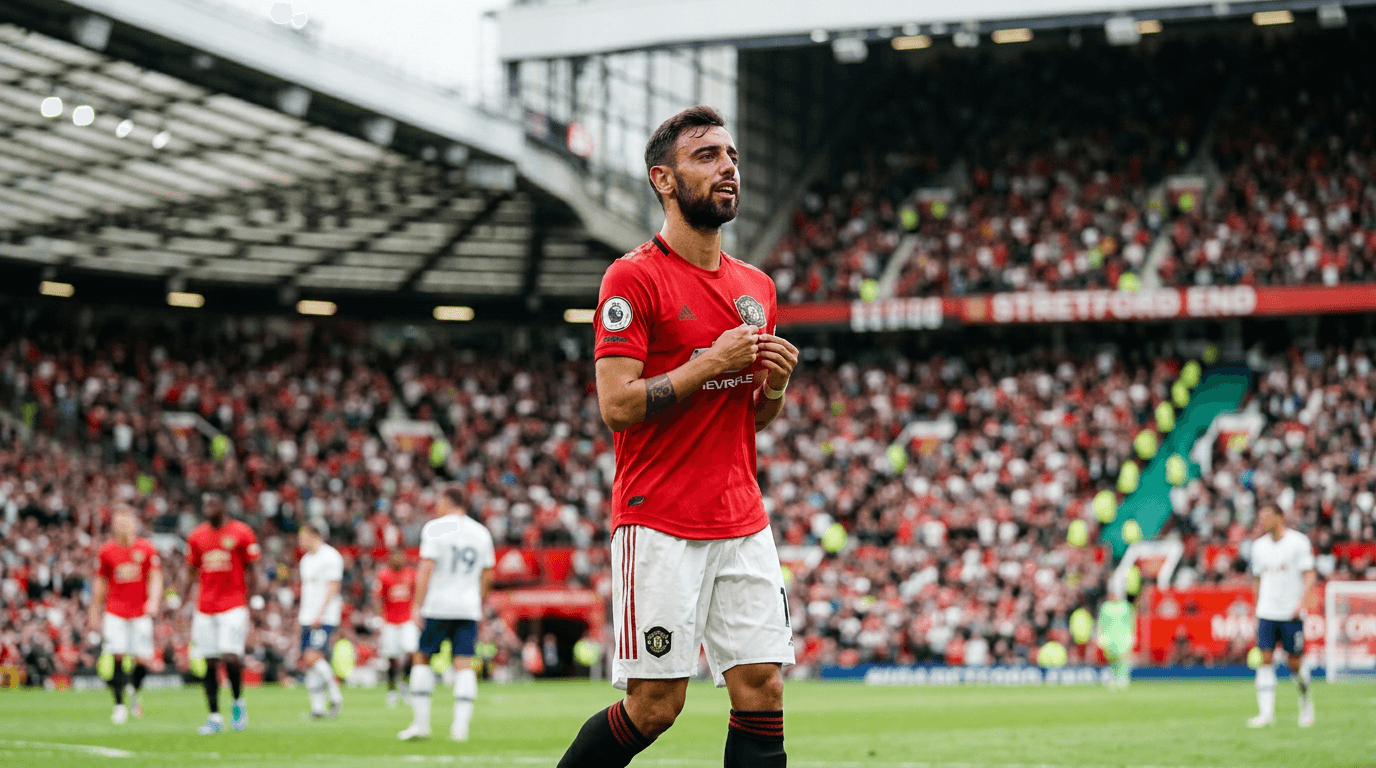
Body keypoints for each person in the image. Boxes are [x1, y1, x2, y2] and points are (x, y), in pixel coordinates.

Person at [558, 105, 799, 768]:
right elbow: (619, 406)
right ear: (663, 180)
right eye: (706, 156)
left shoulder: (757, 286)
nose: (727, 167)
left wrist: (771, 388)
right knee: (657, 704)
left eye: (732, 156)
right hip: (661, 520)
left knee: (763, 688)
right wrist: (711, 363)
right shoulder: (634, 277)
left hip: (742, 519)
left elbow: (751, 420)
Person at [397, 485, 495, 742]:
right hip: (468, 607)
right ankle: (460, 729)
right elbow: (487, 573)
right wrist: (479, 601)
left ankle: (421, 724)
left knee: (422, 658)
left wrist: (417, 605)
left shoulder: (435, 528)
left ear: (447, 501)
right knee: (464, 663)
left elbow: (425, 569)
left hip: (438, 605)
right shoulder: (481, 532)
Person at [186, 492, 260, 735]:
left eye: (213, 503)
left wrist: (255, 598)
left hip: (233, 603)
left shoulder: (241, 532)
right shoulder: (197, 536)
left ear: (223, 506)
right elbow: (191, 570)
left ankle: (238, 702)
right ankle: (214, 716)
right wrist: (181, 599)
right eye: (205, 503)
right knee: (208, 661)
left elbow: (252, 568)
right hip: (205, 606)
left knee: (230, 656)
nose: (208, 508)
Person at [89, 506, 162, 724]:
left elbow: (156, 577)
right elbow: (99, 584)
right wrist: (94, 613)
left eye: (126, 521)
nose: (122, 526)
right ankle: (119, 705)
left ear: (134, 523)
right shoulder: (106, 551)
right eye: (118, 522)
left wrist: (154, 601)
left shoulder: (146, 549)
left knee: (142, 658)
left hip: (140, 612)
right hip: (115, 612)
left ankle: (134, 691)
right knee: (117, 656)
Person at [1247, 505, 1317, 728]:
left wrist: (1301, 602)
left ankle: (1306, 705)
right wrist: (1256, 609)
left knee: (1294, 663)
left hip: (1290, 612)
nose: (1263, 521)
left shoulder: (1298, 542)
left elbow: (1310, 575)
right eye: (1260, 518)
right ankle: (1265, 714)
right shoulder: (1258, 547)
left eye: (1266, 517)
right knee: (1265, 660)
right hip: (1267, 612)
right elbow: (1257, 580)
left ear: (1279, 517)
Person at [297, 522, 345, 719]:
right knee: (309, 663)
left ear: (312, 535)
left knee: (313, 656)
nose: (300, 542)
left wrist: (320, 613)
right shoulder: (306, 560)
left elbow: (334, 586)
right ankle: (318, 708)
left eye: (302, 537)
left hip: (324, 616)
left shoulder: (330, 556)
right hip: (307, 615)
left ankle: (335, 694)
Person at [375, 548, 418, 708]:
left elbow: (417, 594)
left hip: (407, 620)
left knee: (411, 651)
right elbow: (379, 598)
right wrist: (382, 618)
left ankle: (405, 685)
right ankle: (392, 690)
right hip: (390, 621)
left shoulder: (411, 574)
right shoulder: (384, 575)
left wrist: (416, 612)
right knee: (391, 656)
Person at [1096, 581, 1135, 690]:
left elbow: (1131, 622)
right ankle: (1114, 676)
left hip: (1122, 636)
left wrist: (1131, 635)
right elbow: (1101, 623)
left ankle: (1123, 677)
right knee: (1112, 658)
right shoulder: (1105, 607)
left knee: (1122, 658)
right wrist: (1100, 636)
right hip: (1110, 636)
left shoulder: (1126, 607)